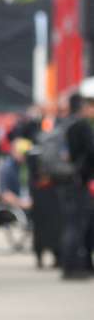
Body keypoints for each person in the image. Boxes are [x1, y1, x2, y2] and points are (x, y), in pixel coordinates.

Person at [63, 85, 94, 279]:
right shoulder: (82, 126)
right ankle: (75, 266)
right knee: (79, 225)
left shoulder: (65, 124)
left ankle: (70, 264)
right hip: (80, 180)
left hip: (66, 178)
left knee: (72, 224)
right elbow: (91, 152)